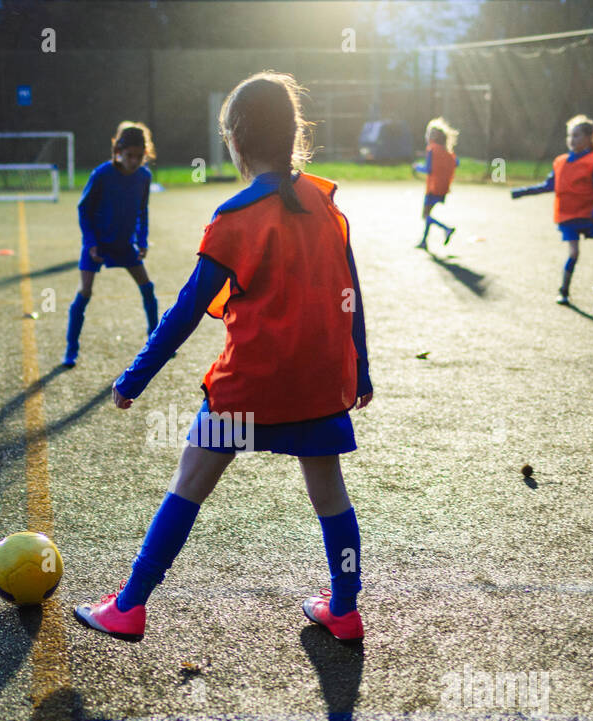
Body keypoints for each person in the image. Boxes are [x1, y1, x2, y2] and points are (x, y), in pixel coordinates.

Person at [71, 73, 374, 643]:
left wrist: (134, 378)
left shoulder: (234, 218)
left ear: (233, 139)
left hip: (249, 389)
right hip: (318, 384)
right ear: (294, 134)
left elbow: (186, 311)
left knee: (189, 482)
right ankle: (346, 608)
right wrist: (361, 369)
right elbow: (352, 292)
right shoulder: (326, 203)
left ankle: (130, 604)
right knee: (330, 493)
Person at [511, 114, 593, 304]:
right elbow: (549, 185)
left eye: (577, 136)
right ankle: (564, 290)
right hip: (567, 217)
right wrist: (522, 192)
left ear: (588, 139)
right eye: (570, 136)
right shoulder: (560, 162)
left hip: (590, 217)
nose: (572, 140)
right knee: (574, 253)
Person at [63, 122, 157, 367]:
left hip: (125, 245)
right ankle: (71, 350)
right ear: (118, 151)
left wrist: (142, 240)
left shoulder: (144, 177)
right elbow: (84, 209)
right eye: (129, 155)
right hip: (98, 245)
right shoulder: (103, 174)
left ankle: (157, 343)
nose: (134, 161)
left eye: (139, 156)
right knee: (85, 292)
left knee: (147, 288)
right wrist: (91, 243)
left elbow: (142, 211)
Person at [414, 117, 459, 249]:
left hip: (433, 188)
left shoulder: (432, 149)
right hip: (443, 188)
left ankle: (446, 228)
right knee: (428, 214)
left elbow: (428, 169)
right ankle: (424, 241)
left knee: (425, 215)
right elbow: (456, 163)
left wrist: (416, 167)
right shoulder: (448, 152)